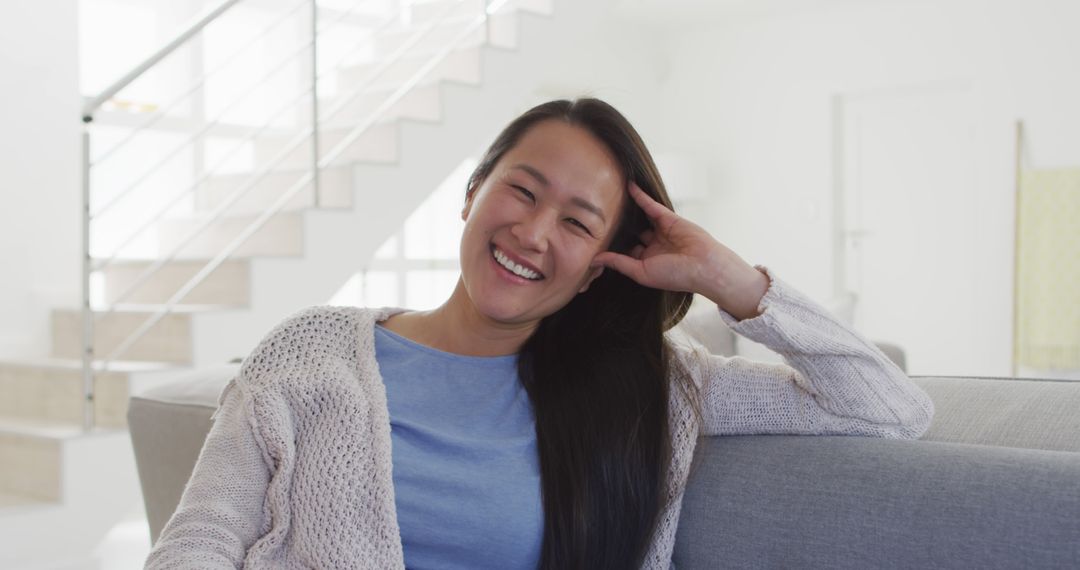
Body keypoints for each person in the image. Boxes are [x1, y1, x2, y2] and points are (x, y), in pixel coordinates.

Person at [145, 98, 934, 569]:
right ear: (470, 195)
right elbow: (204, 536)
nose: (532, 232)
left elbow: (888, 411)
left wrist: (730, 280)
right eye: (521, 191)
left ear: (598, 267)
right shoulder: (308, 352)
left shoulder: (654, 387)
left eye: (577, 223)